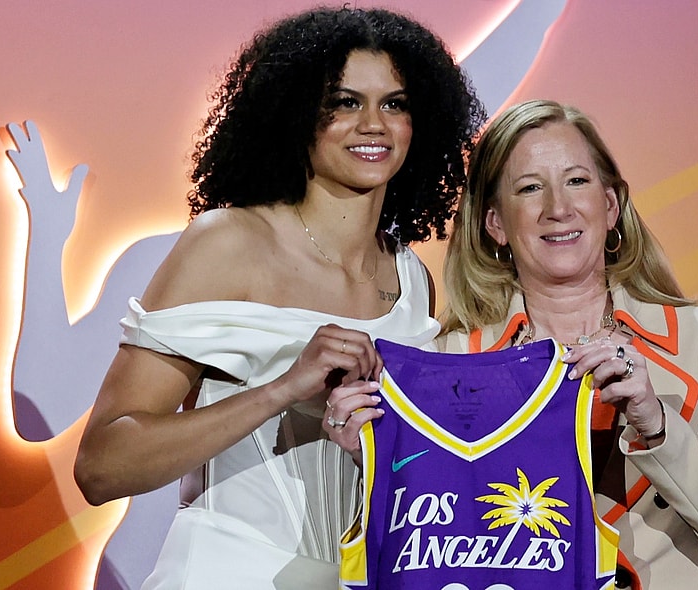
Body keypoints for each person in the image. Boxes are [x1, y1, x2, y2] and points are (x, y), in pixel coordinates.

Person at [73, 7, 485, 589]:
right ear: (295, 115)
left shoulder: (412, 277)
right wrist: (284, 388)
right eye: (344, 102)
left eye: (395, 103)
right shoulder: (229, 243)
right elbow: (102, 467)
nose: (373, 124)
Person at [326, 99, 698, 589]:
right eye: (530, 188)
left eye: (577, 181)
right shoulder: (447, 359)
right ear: (495, 223)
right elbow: (423, 548)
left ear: (610, 207)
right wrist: (373, 460)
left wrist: (656, 422)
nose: (558, 208)